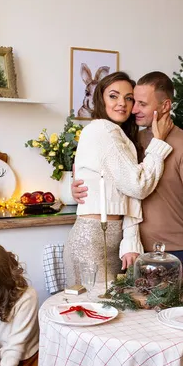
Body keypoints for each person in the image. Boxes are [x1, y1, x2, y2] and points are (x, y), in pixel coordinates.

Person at [72, 71, 183, 285]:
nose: (132, 108)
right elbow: (101, 171)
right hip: (132, 252)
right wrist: (77, 183)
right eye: (132, 101)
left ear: (165, 106)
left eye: (140, 103)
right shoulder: (129, 138)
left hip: (175, 253)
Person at [63, 71, 173, 286]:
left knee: (113, 312)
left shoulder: (122, 137)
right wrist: (159, 142)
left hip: (112, 239)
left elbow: (128, 194)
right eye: (113, 96)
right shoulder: (102, 130)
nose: (121, 103)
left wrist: (130, 242)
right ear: (100, 99)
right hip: (92, 239)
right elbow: (138, 186)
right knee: (96, 311)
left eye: (129, 98)